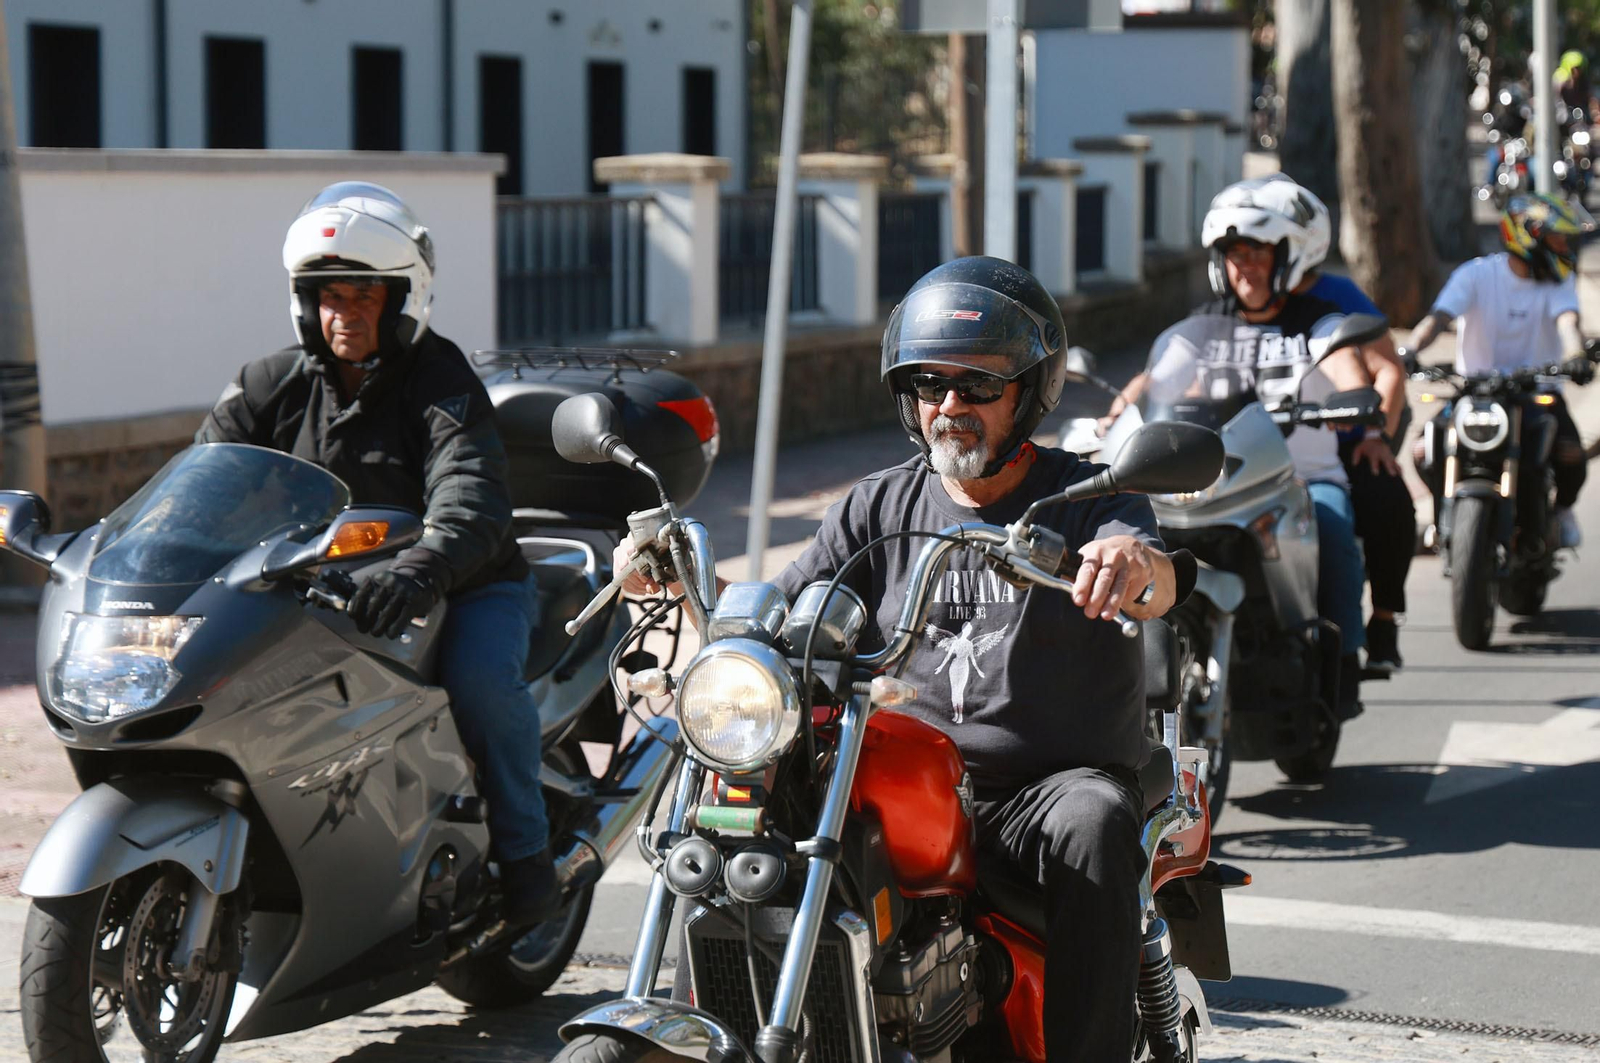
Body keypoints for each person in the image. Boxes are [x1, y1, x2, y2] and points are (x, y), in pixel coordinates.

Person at [623, 257, 1192, 1061]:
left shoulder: (1091, 495)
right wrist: (678, 573)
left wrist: (1132, 562)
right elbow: (768, 615)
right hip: (907, 783)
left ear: (1030, 391)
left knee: (1094, 824)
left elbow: (1155, 577)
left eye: (978, 385)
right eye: (930, 385)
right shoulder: (877, 506)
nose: (950, 406)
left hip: (1042, 791)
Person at [196, 182, 560, 926]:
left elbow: (470, 489)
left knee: (480, 682)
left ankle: (529, 859)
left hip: (463, 583)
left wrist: (424, 564)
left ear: (400, 300)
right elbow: (203, 479)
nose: (343, 313)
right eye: (328, 295)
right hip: (323, 593)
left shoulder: (441, 380)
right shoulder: (270, 386)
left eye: (362, 295)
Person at [1101, 176, 1380, 717]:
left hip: (1300, 476)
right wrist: (1117, 416)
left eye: (1256, 253)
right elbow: (1154, 378)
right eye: (1234, 255)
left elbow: (1348, 371)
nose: (1243, 267)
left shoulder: (1316, 324)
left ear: (1289, 258)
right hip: (1216, 479)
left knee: (1336, 526)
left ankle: (1343, 661)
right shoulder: (1203, 326)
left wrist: (1353, 398)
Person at [1404, 191, 1595, 549]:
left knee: (1570, 452)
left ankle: (1563, 510)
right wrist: (1410, 348)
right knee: (1422, 450)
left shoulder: (1557, 282)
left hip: (1536, 391)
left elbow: (1569, 321)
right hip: (1474, 391)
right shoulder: (1475, 275)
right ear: (1528, 237)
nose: (1564, 247)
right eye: (1556, 238)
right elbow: (1437, 319)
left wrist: (1575, 355)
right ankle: (1445, 510)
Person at [1285, 179, 1416, 674]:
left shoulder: (1338, 295)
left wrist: (1377, 435)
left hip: (1347, 440)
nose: (1248, 262)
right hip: (1266, 448)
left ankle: (1381, 620)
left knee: (1387, 501)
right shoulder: (1234, 306)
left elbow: (1387, 369)